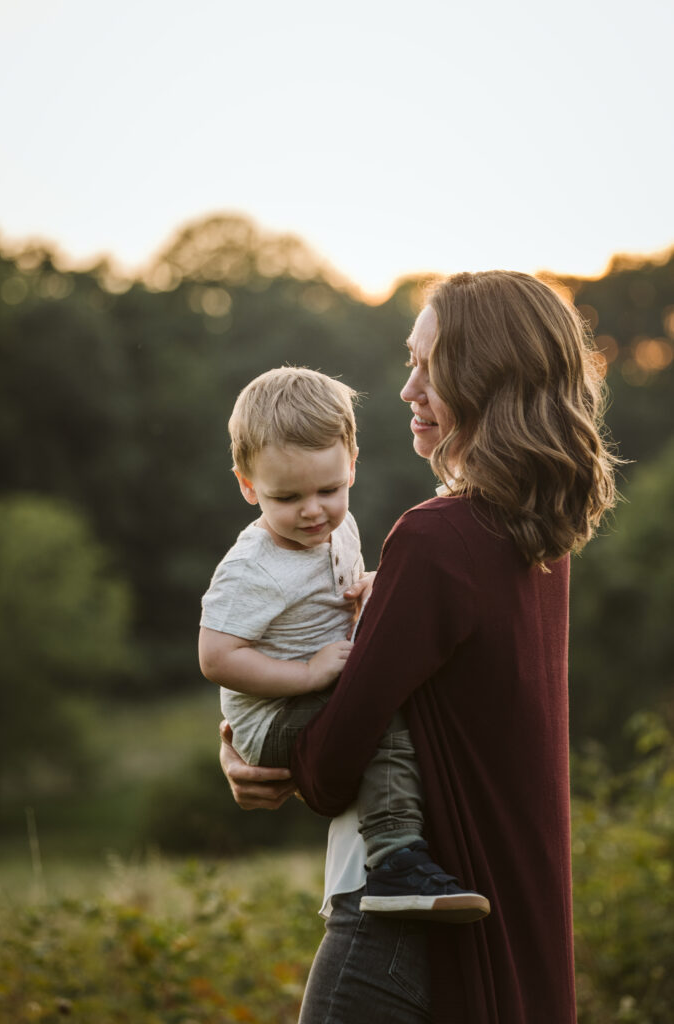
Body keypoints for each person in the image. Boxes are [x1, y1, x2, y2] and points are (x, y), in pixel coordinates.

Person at [219, 271, 618, 1024]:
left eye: (430, 367)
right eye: (410, 362)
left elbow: (338, 765)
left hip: (399, 918)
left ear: (487, 378)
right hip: (500, 906)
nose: (406, 389)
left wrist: (257, 755)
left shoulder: (437, 538)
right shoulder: (538, 541)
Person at [200, 366, 489, 922]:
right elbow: (216, 656)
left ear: (352, 464)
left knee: (373, 705)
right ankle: (394, 859)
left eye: (329, 489)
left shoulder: (340, 527)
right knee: (376, 715)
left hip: (314, 688)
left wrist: (372, 592)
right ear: (247, 485)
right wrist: (308, 673)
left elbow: (336, 597)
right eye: (287, 498)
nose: (313, 511)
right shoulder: (252, 568)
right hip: (271, 713)